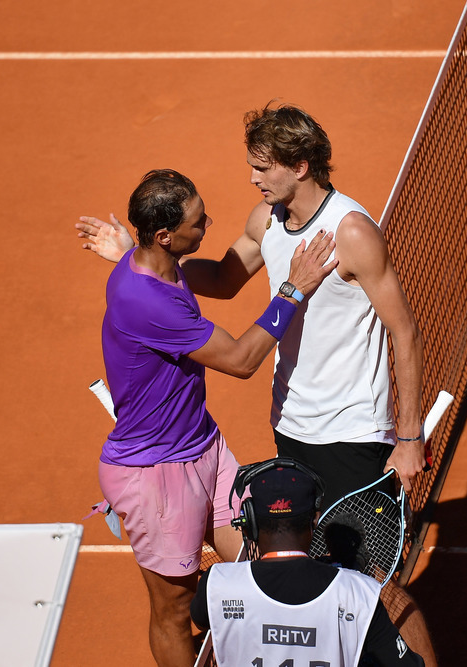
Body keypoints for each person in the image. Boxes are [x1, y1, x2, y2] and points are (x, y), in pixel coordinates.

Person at [77, 103, 425, 511]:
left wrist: (409, 438)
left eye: (262, 168)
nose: (252, 178)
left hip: (351, 429)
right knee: (310, 564)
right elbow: (225, 279)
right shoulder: (266, 219)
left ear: (298, 167)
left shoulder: (352, 232)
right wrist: (145, 257)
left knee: (371, 571)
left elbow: (405, 333)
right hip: (291, 422)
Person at [96, 169, 337, 667]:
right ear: (164, 236)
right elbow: (243, 360)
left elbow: (216, 280)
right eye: (197, 220)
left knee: (261, 563)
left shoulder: (160, 263)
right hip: (155, 476)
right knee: (174, 608)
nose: (208, 221)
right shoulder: (147, 299)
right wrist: (295, 288)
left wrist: (124, 247)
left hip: (204, 448)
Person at [190, 458, 426, 667]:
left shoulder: (217, 585)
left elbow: (200, 617)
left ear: (250, 522)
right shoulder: (358, 594)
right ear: (314, 520)